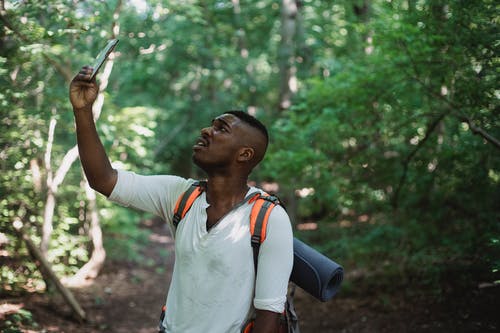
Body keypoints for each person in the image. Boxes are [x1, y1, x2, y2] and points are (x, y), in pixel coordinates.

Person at [69, 66, 294, 333]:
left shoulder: (269, 218)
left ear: (244, 155)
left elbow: (268, 317)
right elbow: (103, 179)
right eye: (212, 124)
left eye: (221, 129)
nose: (206, 130)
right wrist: (82, 111)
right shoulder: (181, 196)